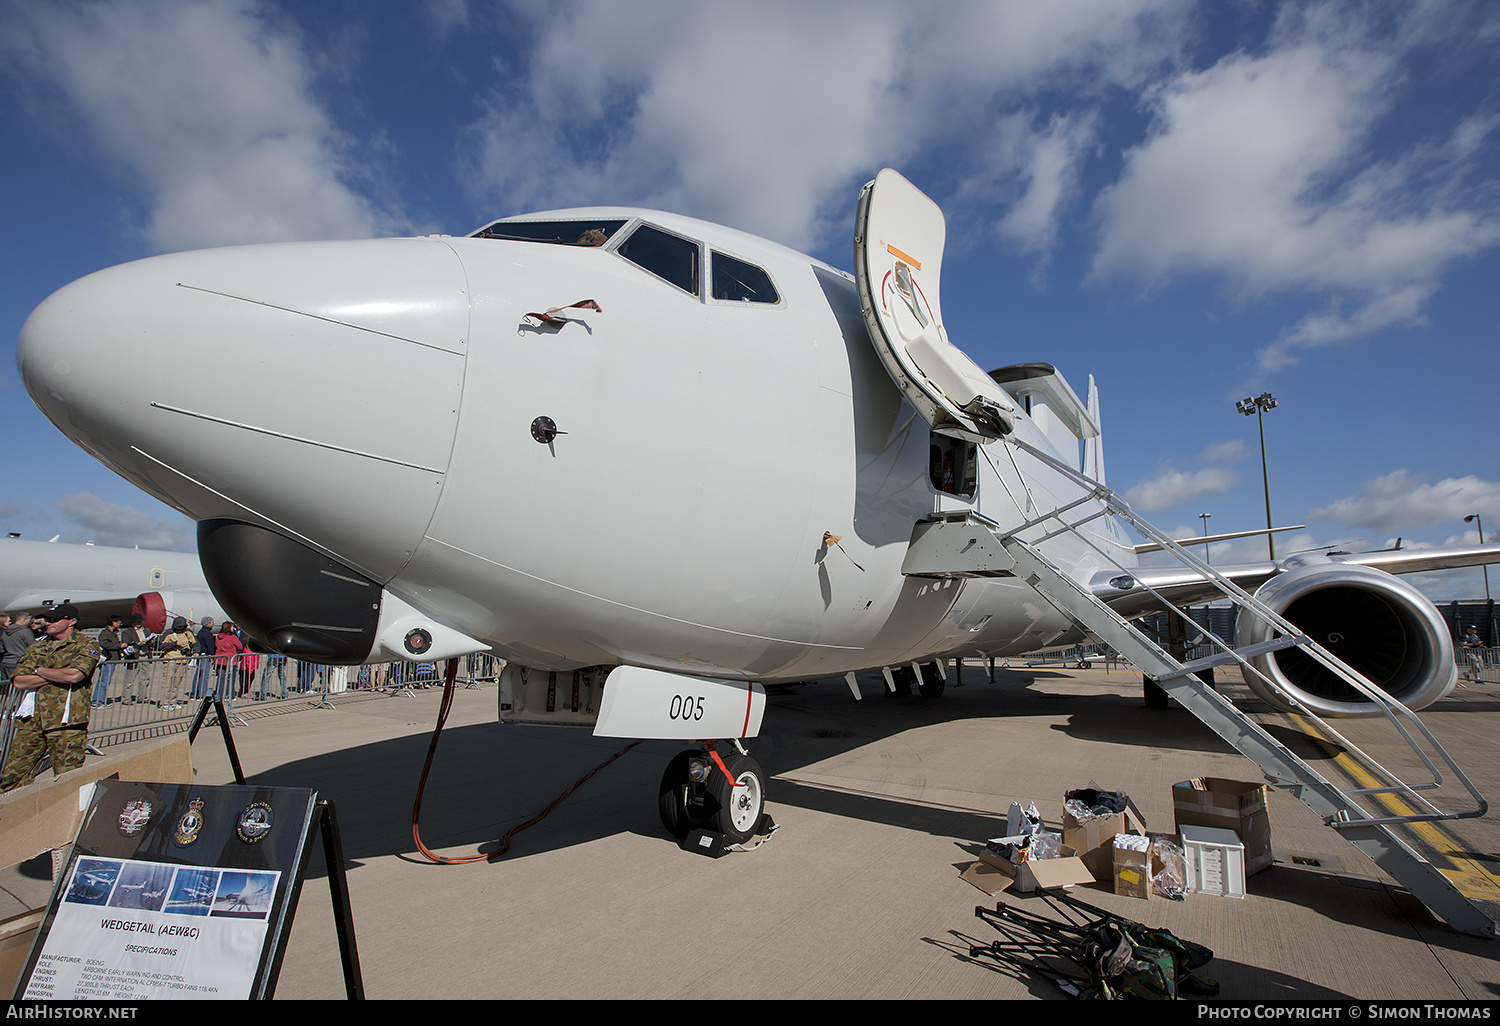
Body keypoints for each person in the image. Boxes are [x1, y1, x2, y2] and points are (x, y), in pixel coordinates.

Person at [0, 603, 100, 791]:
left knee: (67, 781)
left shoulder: (86, 645)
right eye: (48, 619)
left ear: (72, 621)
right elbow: (20, 681)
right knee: (12, 777)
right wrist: (58, 674)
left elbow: (75, 675)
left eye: (56, 619)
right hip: (31, 721)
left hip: (66, 724)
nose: (49, 623)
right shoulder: (38, 647)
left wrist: (39, 671)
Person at [157, 617, 196, 709]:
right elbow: (161, 646)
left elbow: (194, 642)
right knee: (167, 682)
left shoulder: (187, 632)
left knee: (176, 683)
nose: (180, 628)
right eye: (179, 626)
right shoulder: (168, 633)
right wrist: (175, 643)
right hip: (170, 660)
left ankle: (172, 701)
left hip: (182, 661)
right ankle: (164, 703)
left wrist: (195, 651)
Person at [94, 614, 123, 706]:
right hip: (108, 659)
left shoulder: (112, 633)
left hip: (112, 659)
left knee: (104, 681)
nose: (120, 624)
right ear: (113, 622)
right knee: (104, 681)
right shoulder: (105, 633)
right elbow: (104, 644)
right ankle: (98, 702)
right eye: (119, 623)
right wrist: (119, 646)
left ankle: (99, 700)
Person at [190, 617, 216, 700]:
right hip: (205, 655)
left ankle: (194, 693)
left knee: (198, 675)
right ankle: (201, 694)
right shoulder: (207, 633)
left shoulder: (200, 632)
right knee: (204, 676)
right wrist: (212, 654)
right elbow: (210, 645)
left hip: (200, 655)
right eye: (212, 622)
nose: (213, 623)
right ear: (208, 623)